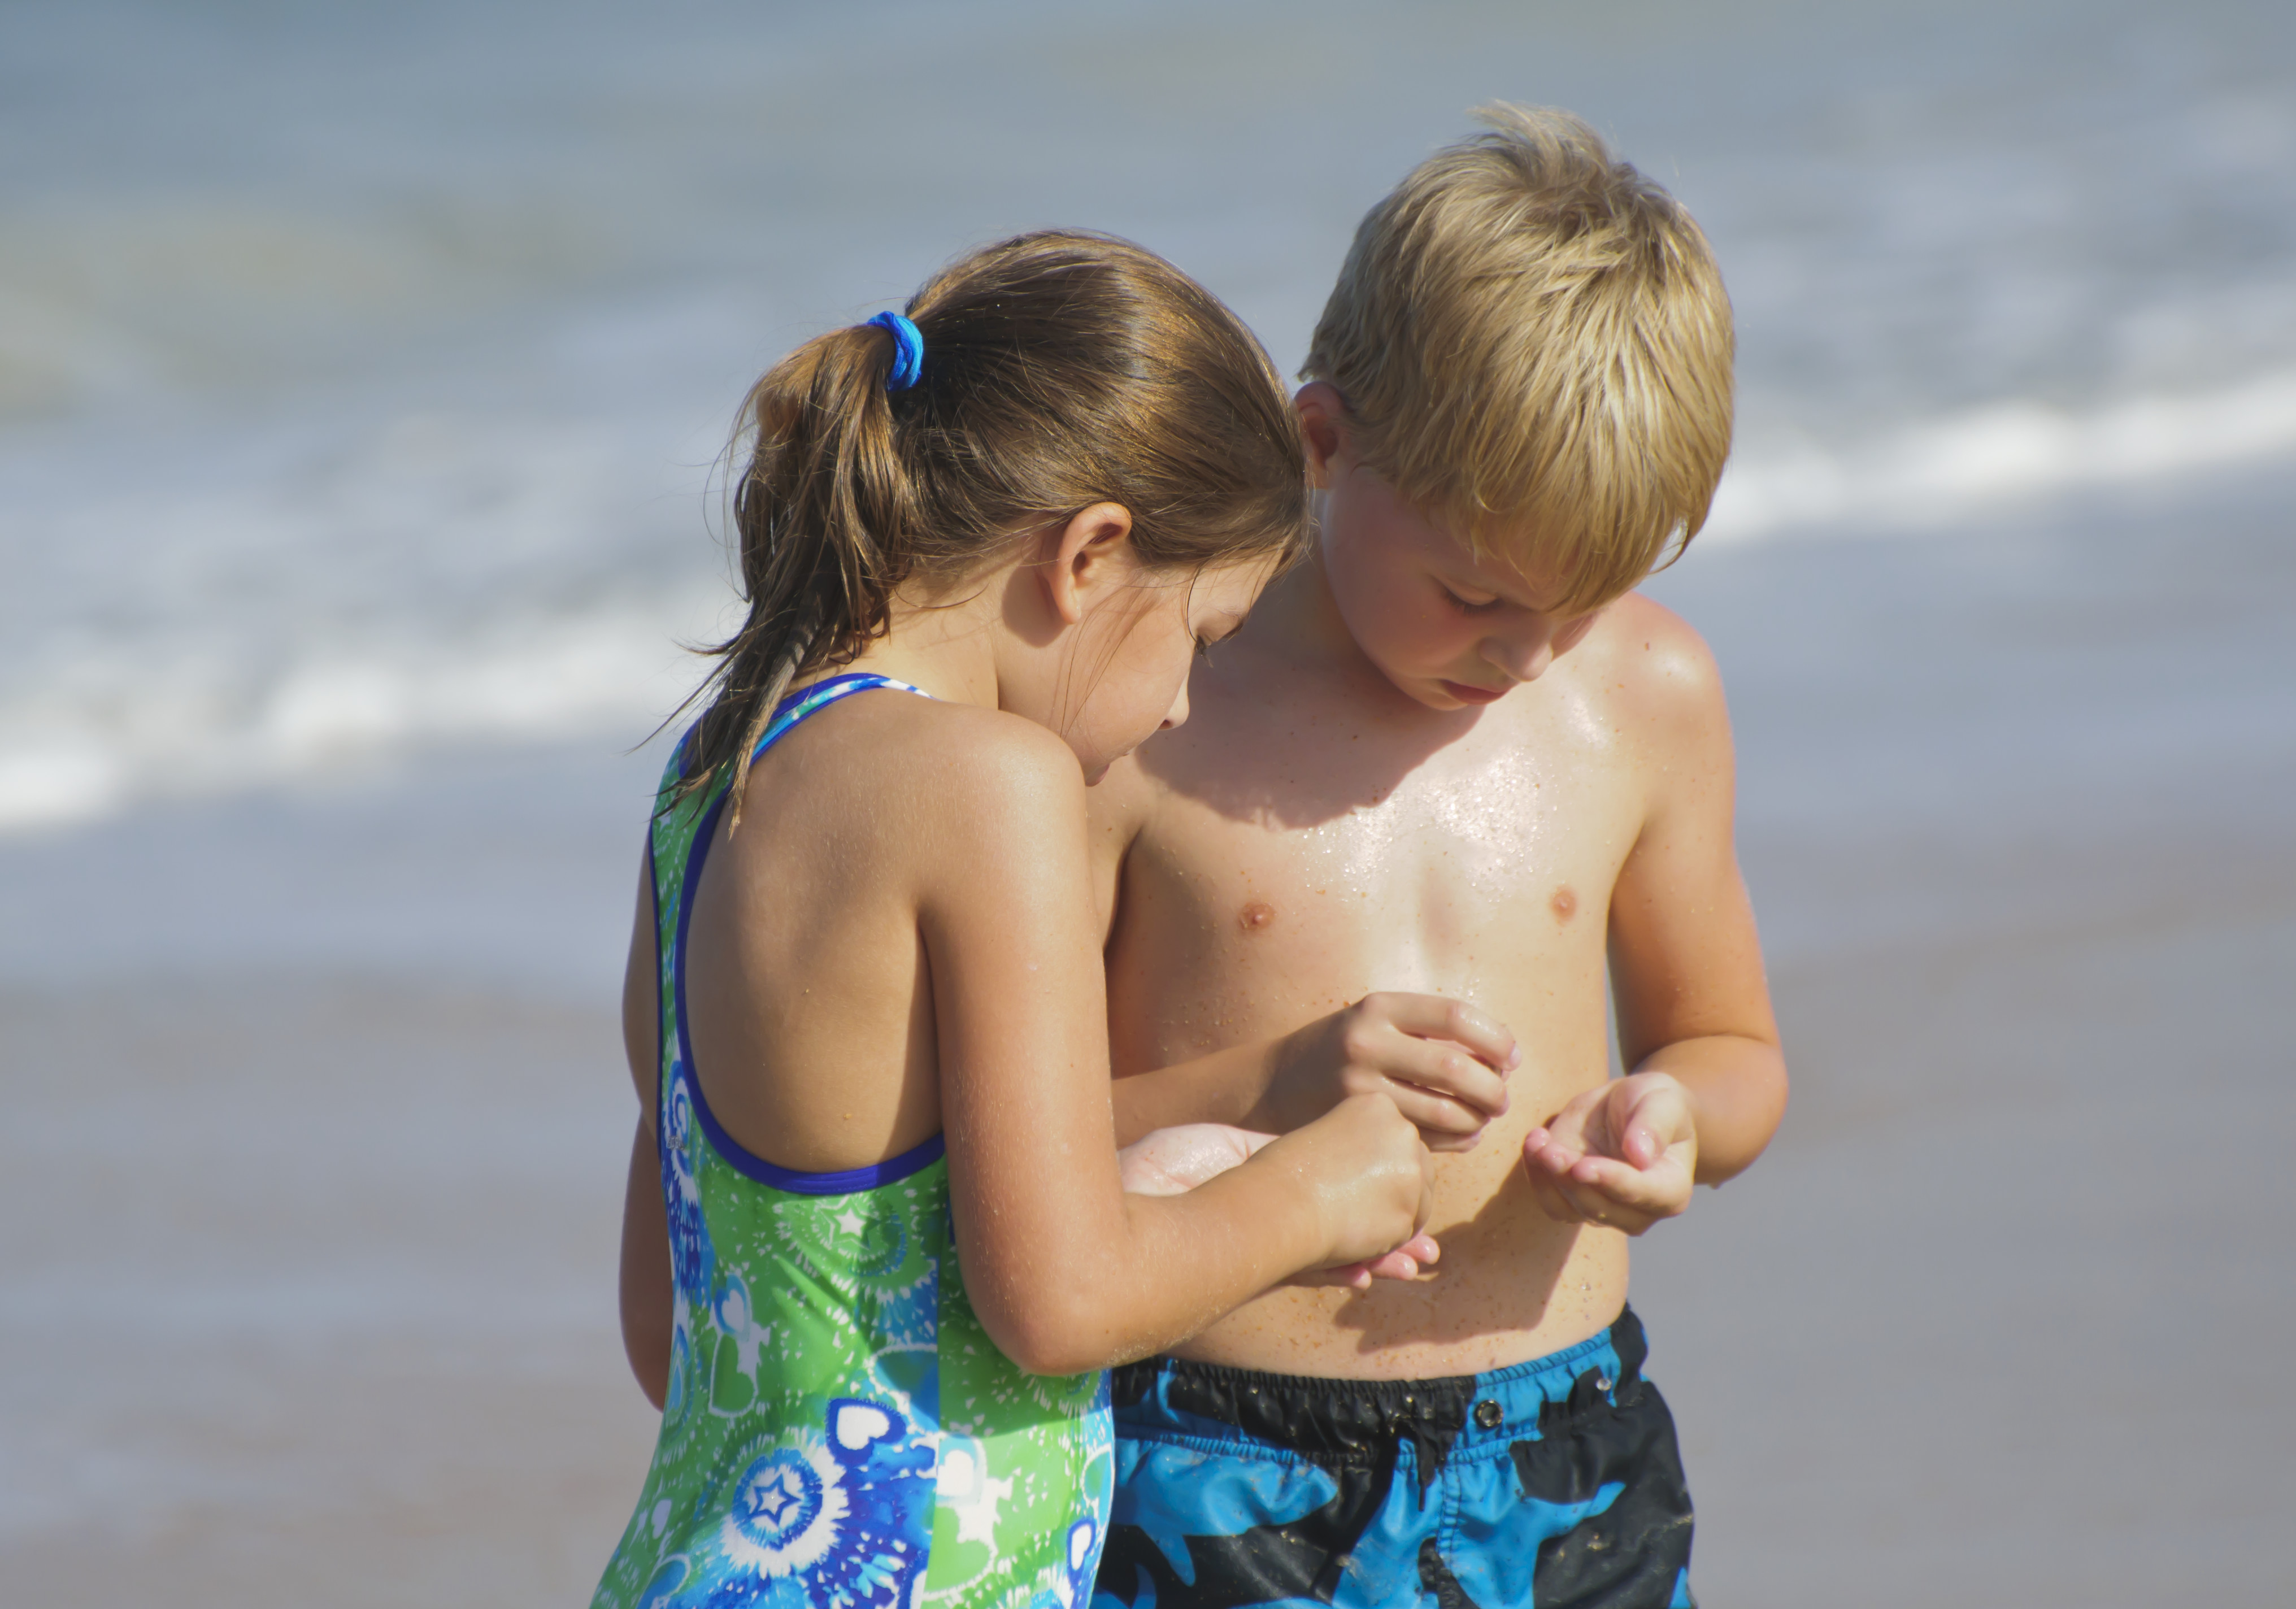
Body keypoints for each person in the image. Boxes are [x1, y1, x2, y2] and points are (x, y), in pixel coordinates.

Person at [592, 231, 1488, 1609]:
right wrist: (1313, 1190)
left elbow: (690, 1330)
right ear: (1089, 556)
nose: (1186, 703)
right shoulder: (990, 784)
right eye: (1200, 632)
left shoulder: (718, 771)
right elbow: (1060, 1296)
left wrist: (1254, 1092)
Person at [1085, 110, 1788, 1609]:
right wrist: (1275, 1085)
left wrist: (1673, 1117)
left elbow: (1731, 1045)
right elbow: (1025, 1139)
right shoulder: (1155, 714)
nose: (1526, 655)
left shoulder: (1645, 699)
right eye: (1474, 591)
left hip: (1567, 1444)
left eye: (1584, 600)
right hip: (1215, 1449)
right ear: (1322, 441)